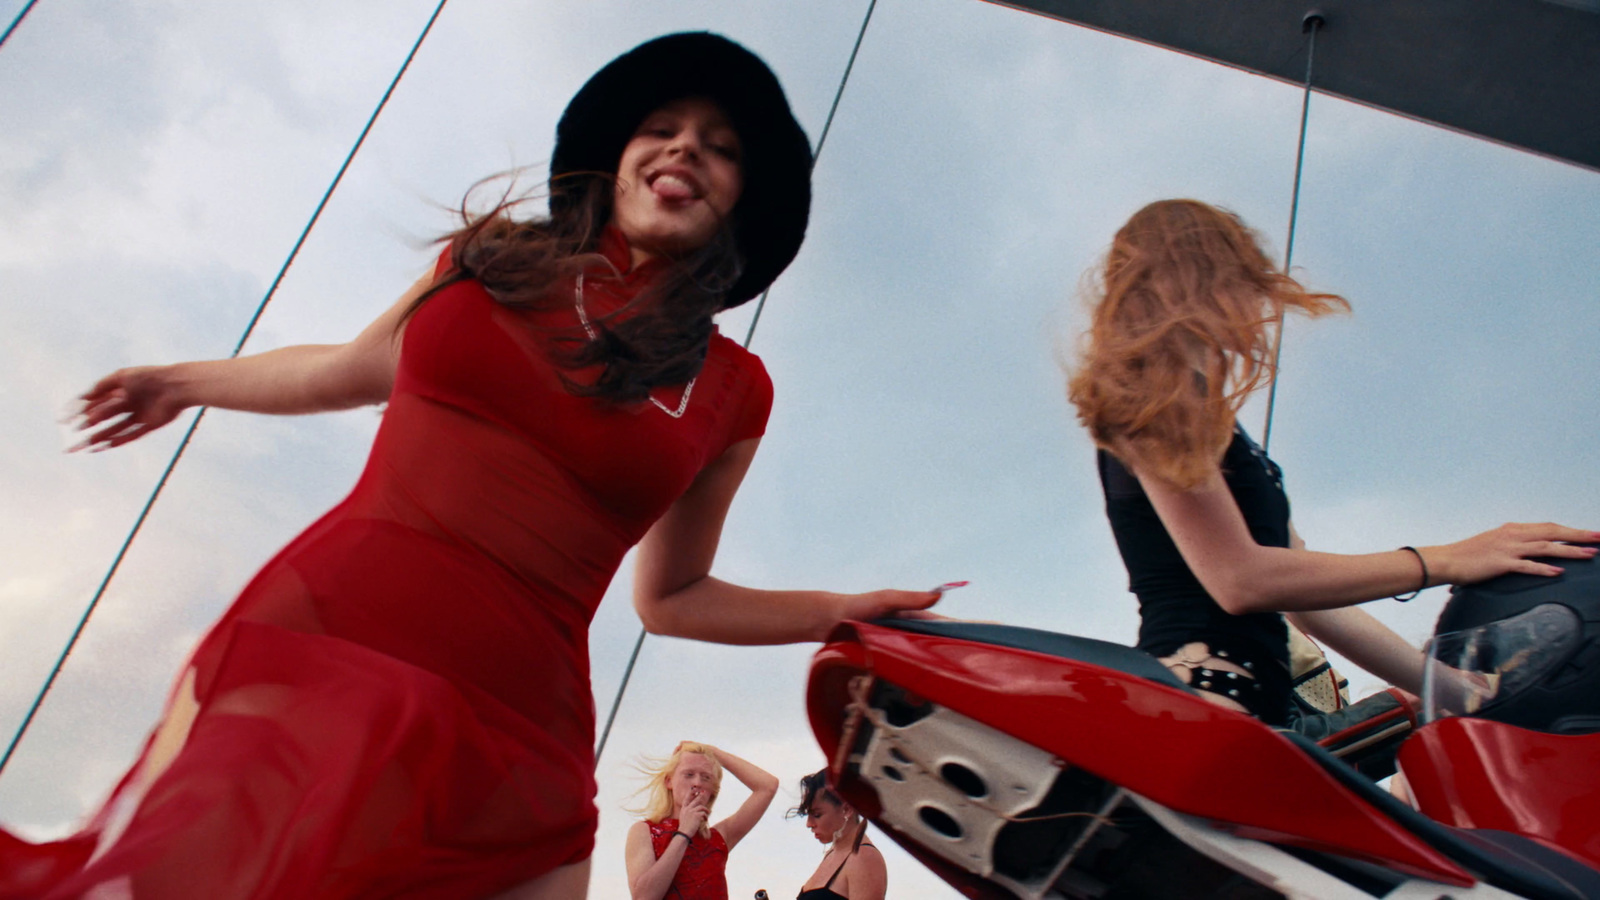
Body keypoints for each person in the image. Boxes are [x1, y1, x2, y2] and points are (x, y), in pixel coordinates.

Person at [2, 33, 938, 900]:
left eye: (720, 145)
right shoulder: (497, 262)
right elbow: (343, 370)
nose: (685, 148)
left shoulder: (736, 388)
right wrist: (183, 380)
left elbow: (673, 597)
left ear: (746, 194)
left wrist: (838, 611)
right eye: (662, 129)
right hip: (333, 632)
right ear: (615, 161)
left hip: (525, 716)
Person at [1065, 198, 1599, 726]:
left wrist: (1456, 690)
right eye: (1245, 280)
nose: (1258, 305)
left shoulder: (1214, 426)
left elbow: (1309, 603)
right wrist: (1449, 559)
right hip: (1202, 710)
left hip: (1251, 715)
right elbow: (1240, 580)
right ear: (1201, 276)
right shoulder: (1154, 400)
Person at [623, 742, 776, 900]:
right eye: (688, 774)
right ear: (669, 781)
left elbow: (767, 786)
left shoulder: (718, 838)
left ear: (712, 791)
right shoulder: (644, 831)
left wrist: (714, 752)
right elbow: (644, 897)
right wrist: (683, 833)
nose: (697, 783)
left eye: (706, 777)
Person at [788, 770, 885, 900]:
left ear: (847, 809)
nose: (809, 824)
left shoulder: (864, 857)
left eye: (817, 815)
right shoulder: (832, 853)